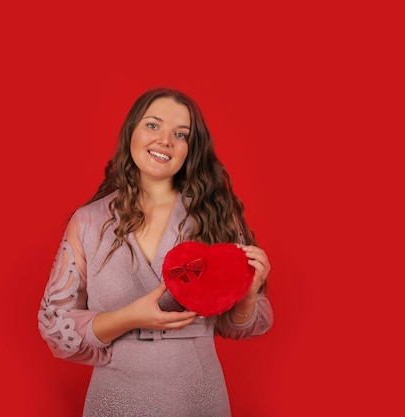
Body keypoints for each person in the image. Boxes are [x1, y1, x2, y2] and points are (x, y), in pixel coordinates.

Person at [37, 87, 274, 417]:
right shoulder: (88, 222)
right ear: (130, 131)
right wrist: (129, 318)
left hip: (197, 398)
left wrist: (247, 296)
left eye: (181, 134)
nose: (166, 140)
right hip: (116, 398)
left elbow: (239, 326)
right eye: (153, 125)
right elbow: (56, 327)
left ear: (191, 149)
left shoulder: (215, 217)